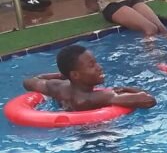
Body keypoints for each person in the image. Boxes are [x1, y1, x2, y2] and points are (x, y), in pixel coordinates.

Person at [23, 44, 156, 112]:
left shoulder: (57, 87)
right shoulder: (97, 97)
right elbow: (148, 100)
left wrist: (62, 75)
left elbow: (29, 81)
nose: (99, 67)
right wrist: (126, 89)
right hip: (100, 133)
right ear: (75, 75)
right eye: (91, 65)